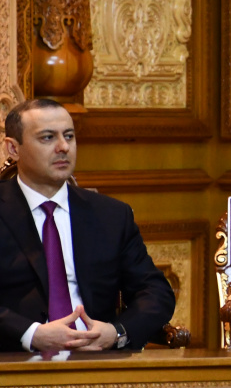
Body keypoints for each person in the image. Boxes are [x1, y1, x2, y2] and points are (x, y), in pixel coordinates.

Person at [0, 99, 175, 352]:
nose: (63, 147)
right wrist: (31, 334)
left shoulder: (111, 215)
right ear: (13, 149)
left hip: (96, 361)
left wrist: (116, 332)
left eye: (69, 136)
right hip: (13, 362)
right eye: (47, 138)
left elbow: (156, 292)